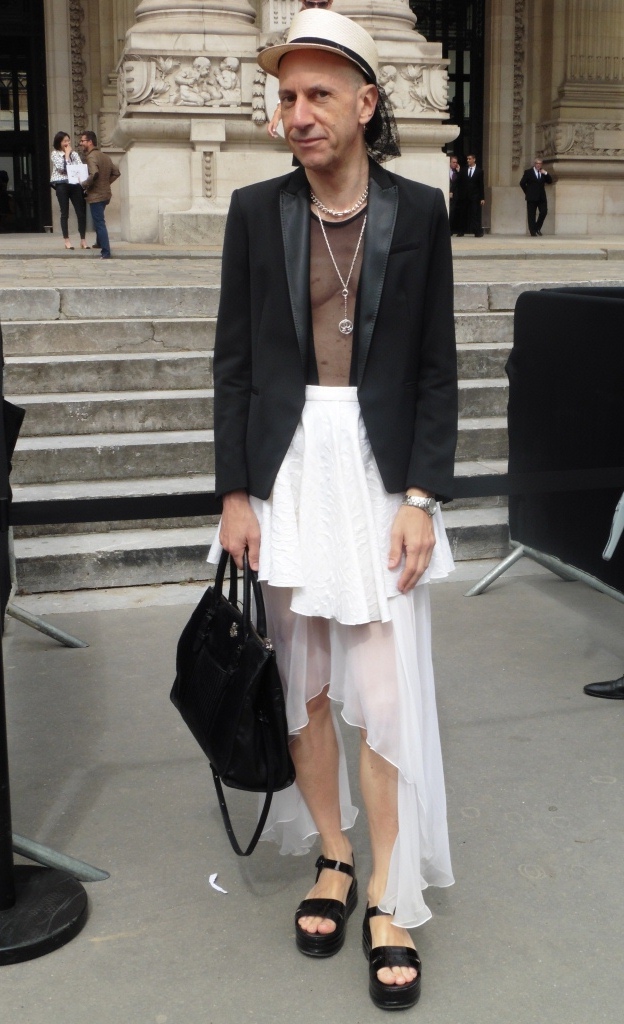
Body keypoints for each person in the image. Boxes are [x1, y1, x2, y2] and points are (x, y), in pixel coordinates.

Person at [211, 9, 457, 1011]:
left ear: (366, 103)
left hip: (378, 472)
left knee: (385, 696)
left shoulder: (421, 212)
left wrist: (421, 496)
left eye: (318, 94)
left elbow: (437, 367)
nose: (298, 113)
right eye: (286, 96)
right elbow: (233, 362)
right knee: (302, 685)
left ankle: (392, 893)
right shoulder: (254, 211)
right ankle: (335, 854)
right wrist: (235, 491)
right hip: (287, 472)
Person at [266, 0, 334, 139]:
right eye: (310, 3)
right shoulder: (297, 33)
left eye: (322, 4)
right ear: (303, 2)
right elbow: (292, 82)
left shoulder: (338, 32)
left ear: (330, 3)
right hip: (307, 107)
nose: (315, 8)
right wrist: (278, 112)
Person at [79, 131, 120, 260]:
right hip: (106, 194)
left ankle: (106, 251)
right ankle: (99, 243)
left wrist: (84, 184)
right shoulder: (104, 156)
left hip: (96, 195)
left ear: (90, 142)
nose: (81, 143)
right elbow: (116, 172)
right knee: (99, 219)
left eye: (83, 141)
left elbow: (94, 173)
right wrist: (106, 183)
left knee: (99, 222)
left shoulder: (91, 157)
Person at [49, 131, 88, 250]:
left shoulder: (74, 154)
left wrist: (70, 156)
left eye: (68, 140)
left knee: (80, 212)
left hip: (74, 184)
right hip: (62, 184)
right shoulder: (55, 154)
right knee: (64, 212)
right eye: (65, 141)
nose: (67, 143)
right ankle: (67, 240)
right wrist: (66, 155)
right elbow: (62, 168)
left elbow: (79, 168)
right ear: (59, 142)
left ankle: (83, 239)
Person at [519, 157, 553, 236]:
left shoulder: (542, 172)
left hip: (541, 197)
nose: (538, 165)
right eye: (537, 163)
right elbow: (522, 183)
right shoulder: (528, 172)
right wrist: (527, 192)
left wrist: (546, 173)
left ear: (541, 164)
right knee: (531, 215)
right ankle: (533, 231)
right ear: (534, 164)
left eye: (540, 163)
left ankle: (537, 228)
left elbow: (550, 181)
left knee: (544, 212)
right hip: (532, 197)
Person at [456, 153, 485, 236]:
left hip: (475, 196)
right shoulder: (464, 170)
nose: (468, 160)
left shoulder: (479, 171)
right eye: (467, 159)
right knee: (463, 214)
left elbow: (481, 185)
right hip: (464, 196)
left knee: (474, 214)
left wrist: (482, 198)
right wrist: (458, 172)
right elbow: (459, 181)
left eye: (469, 159)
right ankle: (461, 232)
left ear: (474, 159)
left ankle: (477, 232)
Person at [448, 154, 460, 234]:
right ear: (449, 162)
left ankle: (451, 229)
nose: (455, 164)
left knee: (453, 212)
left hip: (454, 196)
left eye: (456, 162)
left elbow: (459, 183)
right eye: (453, 162)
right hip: (446, 194)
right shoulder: (445, 171)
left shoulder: (457, 173)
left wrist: (459, 172)